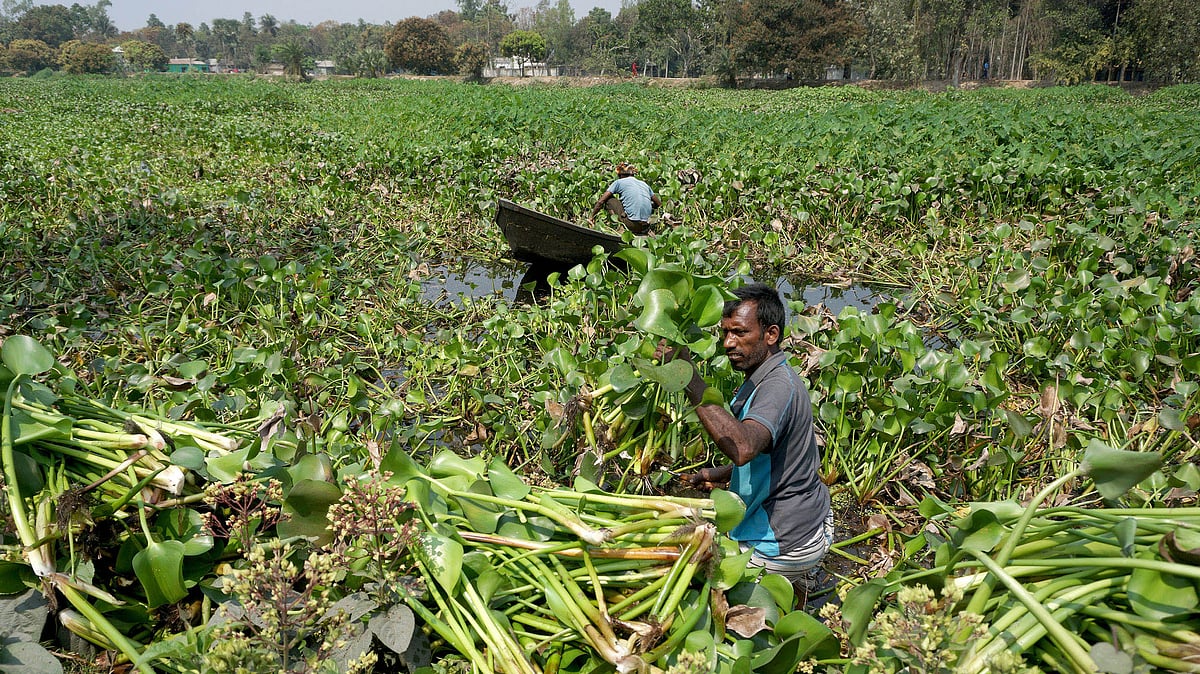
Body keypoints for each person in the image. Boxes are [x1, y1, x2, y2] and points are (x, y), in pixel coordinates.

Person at [674, 283, 833, 592]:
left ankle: (778, 582)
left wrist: (688, 377)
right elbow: (778, 461)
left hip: (785, 542)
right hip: (810, 521)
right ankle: (788, 591)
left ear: (770, 335)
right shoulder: (766, 375)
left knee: (691, 576)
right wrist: (721, 475)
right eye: (725, 333)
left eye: (740, 333)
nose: (728, 343)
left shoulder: (778, 387)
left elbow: (744, 448)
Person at [588, 162, 661, 235]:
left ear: (620, 175)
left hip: (631, 224)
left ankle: (620, 227)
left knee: (608, 199)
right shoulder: (644, 184)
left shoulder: (619, 182)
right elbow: (658, 204)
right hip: (646, 225)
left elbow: (601, 201)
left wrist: (591, 217)